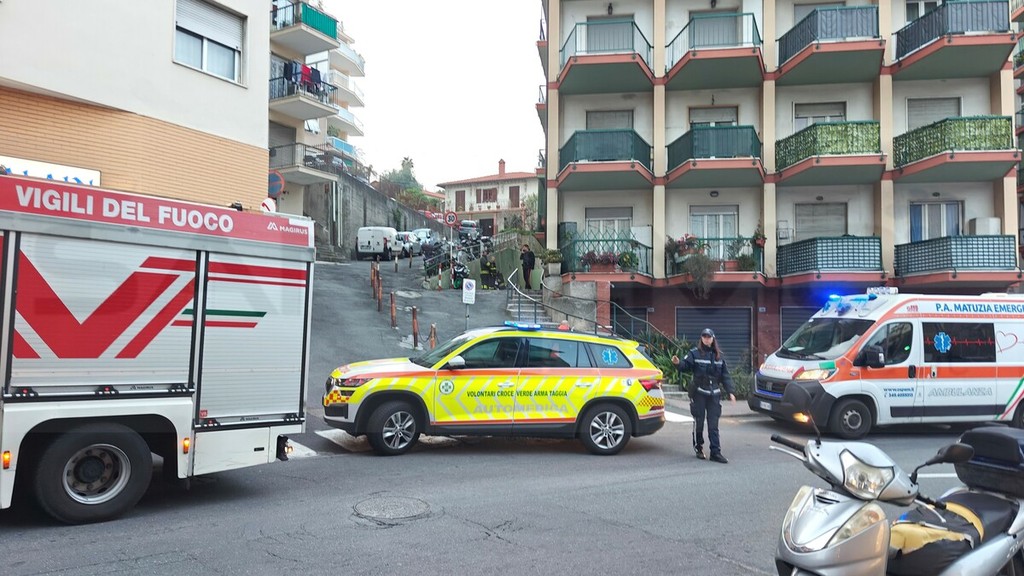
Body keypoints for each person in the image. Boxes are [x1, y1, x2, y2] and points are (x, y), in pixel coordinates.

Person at [671, 328, 736, 464]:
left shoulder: (719, 356)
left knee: (713, 425)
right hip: (699, 393)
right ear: (701, 338)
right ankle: (699, 448)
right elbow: (685, 365)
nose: (706, 339)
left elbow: (725, 376)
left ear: (713, 339)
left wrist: (730, 392)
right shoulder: (694, 353)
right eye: (704, 337)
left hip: (714, 394)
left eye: (709, 337)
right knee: (699, 422)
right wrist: (677, 363)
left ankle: (715, 452)